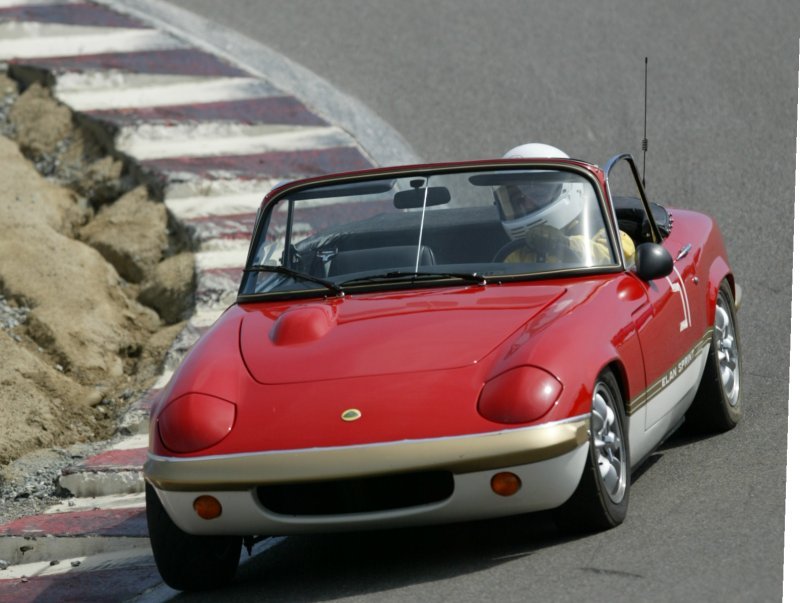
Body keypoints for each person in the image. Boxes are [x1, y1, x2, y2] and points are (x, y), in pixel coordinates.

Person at [497, 143, 635, 266]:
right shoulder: (518, 254)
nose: (526, 204)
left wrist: (564, 243)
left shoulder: (597, 231)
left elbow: (623, 254)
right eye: (516, 199)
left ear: (567, 189)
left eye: (536, 194)